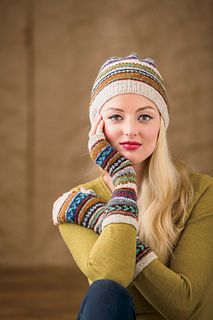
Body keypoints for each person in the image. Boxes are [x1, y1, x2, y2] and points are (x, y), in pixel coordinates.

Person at [52, 53, 213, 320]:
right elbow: (109, 277)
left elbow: (183, 303)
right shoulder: (77, 202)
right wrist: (124, 182)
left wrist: (104, 213)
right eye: (116, 117)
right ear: (97, 127)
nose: (130, 130)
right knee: (104, 293)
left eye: (145, 117)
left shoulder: (202, 191)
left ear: (161, 124)